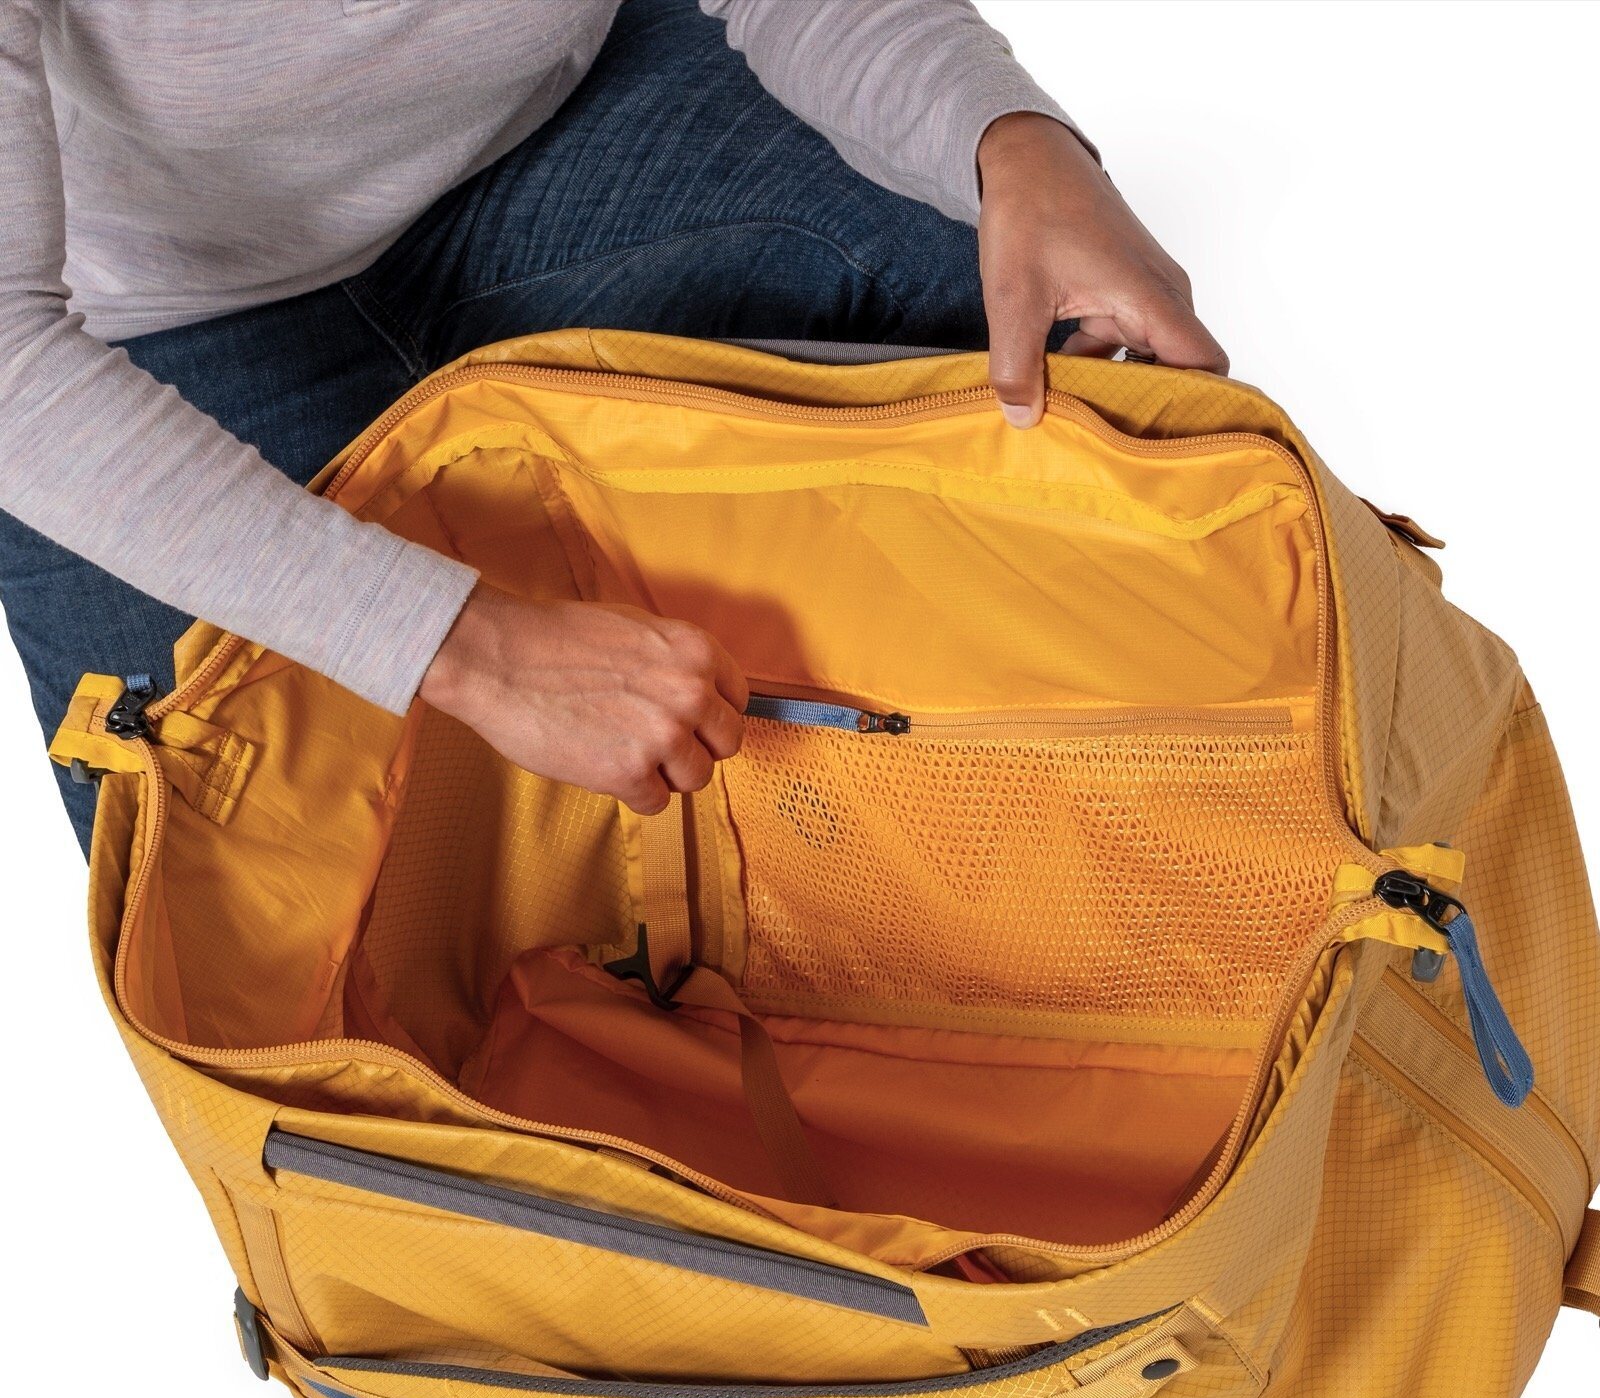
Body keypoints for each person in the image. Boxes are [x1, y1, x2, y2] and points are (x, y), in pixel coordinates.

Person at [0, 0, 1226, 852]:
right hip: (141, 320)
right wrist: (471, 647)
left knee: (1022, 318)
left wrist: (1014, 147)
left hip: (544, 134)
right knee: (210, 874)